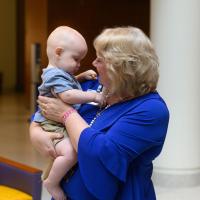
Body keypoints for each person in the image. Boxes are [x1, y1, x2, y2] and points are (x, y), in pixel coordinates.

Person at [30, 26, 169, 200]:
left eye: (100, 59)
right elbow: (45, 110)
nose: (93, 64)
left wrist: (67, 115)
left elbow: (101, 154)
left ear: (120, 68)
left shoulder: (151, 110)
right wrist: (36, 133)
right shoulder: (93, 85)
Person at [32, 26, 104, 200]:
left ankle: (52, 174)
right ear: (58, 52)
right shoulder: (54, 76)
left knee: (67, 152)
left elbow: (69, 84)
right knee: (71, 153)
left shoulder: (60, 74)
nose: (79, 64)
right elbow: (68, 94)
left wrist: (81, 76)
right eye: (76, 59)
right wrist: (94, 95)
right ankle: (52, 182)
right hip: (52, 124)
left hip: (56, 121)